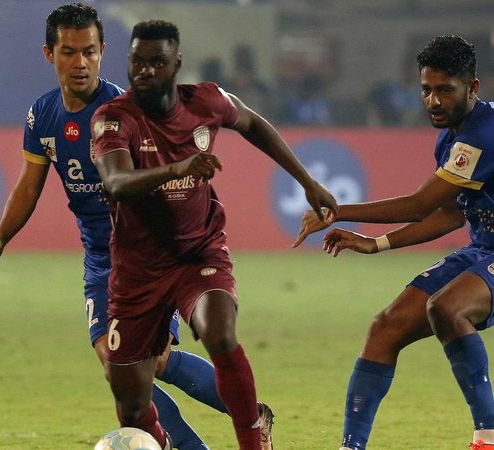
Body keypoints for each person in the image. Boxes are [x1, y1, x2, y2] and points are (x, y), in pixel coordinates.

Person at [0, 4, 274, 450]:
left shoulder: (125, 111)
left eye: (90, 52)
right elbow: (29, 184)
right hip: (100, 258)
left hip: (146, 256)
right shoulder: (42, 115)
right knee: (120, 367)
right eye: (69, 52)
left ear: (103, 52)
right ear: (49, 54)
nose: (81, 63)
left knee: (153, 360)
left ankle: (248, 416)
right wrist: (0, 237)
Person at [294, 35, 494, 450]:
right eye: (426, 89)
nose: (433, 101)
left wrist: (337, 210)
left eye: (445, 90)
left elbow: (419, 204)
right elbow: (450, 214)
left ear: (472, 88)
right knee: (385, 327)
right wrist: (377, 244)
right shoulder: (454, 136)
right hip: (489, 248)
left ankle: (491, 439)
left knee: (446, 307)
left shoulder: (486, 135)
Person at [91, 20, 337, 450]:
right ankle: (161, 442)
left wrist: (306, 181)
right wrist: (179, 168)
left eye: (156, 62)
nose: (145, 70)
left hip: (198, 254)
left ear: (176, 64)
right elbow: (116, 182)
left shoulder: (205, 101)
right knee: (131, 405)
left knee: (220, 333)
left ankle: (253, 441)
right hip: (138, 271)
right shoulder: (113, 119)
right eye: (136, 61)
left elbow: (253, 123)